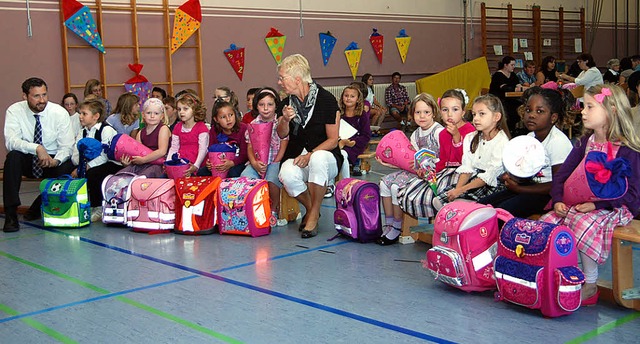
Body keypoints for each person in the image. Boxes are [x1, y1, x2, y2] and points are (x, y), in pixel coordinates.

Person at [539, 85, 640, 305]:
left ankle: (591, 283)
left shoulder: (627, 149)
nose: (582, 112)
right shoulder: (586, 142)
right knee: (548, 222)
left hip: (614, 207)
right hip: (580, 205)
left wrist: (598, 205)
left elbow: (632, 194)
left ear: (612, 109)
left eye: (589, 107)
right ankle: (564, 275)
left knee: (582, 221)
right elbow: (561, 176)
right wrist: (557, 200)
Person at [479, 87, 574, 218]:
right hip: (529, 187)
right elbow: (525, 172)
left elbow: (558, 185)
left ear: (553, 117)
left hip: (549, 196)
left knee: (501, 213)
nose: (532, 115)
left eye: (540, 111)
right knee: (482, 206)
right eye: (528, 110)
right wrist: (510, 177)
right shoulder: (529, 137)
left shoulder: (558, 142)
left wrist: (519, 189)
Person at [277, 54, 343, 238]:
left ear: (297, 79)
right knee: (287, 174)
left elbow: (333, 140)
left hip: (326, 158)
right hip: (298, 155)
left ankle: (313, 215)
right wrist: (284, 119)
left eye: (282, 78)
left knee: (318, 159)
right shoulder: (286, 103)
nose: (279, 82)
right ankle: (311, 208)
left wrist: (310, 155)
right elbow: (281, 133)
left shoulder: (326, 100)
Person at [3, 77, 75, 232]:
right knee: (12, 158)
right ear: (25, 96)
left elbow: (67, 146)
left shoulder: (58, 112)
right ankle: (11, 215)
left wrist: (56, 160)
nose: (42, 100)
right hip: (28, 157)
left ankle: (37, 207)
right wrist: (37, 148)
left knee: (69, 165)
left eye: (44, 95)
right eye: (36, 96)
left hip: (52, 158)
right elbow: (11, 141)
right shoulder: (14, 111)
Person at [375, 93, 443, 245]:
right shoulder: (416, 134)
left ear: (433, 112)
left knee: (395, 187)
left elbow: (443, 157)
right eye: (418, 112)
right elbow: (408, 161)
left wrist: (428, 166)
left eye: (426, 112)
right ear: (412, 114)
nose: (422, 116)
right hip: (415, 172)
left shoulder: (438, 132)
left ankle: (397, 227)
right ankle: (389, 223)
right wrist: (388, 164)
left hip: (432, 175)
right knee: (384, 183)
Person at [398, 89, 476, 220]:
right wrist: (428, 172)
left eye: (455, 110)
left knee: (436, 195)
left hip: (463, 173)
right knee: (412, 191)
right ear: (440, 112)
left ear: (463, 112)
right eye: (445, 110)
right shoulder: (443, 133)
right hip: (445, 172)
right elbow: (443, 161)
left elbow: (465, 161)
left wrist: (457, 136)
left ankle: (448, 218)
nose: (450, 114)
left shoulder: (470, 131)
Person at [435, 94, 511, 208]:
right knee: (439, 201)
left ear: (496, 117)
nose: (475, 119)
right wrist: (457, 190)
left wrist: (461, 190)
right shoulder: (471, 137)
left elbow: (489, 176)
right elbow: (467, 168)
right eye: (474, 114)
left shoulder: (502, 142)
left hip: (491, 184)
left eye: (482, 114)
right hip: (473, 180)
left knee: (459, 207)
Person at [241, 87, 289, 227]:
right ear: (256, 106)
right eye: (261, 105)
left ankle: (273, 210)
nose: (266, 108)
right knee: (245, 178)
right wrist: (254, 163)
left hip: (274, 160)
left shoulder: (279, 122)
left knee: (272, 180)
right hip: (257, 162)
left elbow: (284, 143)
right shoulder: (253, 125)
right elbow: (250, 147)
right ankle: (250, 210)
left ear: (276, 106)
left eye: (270, 104)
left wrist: (276, 161)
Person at [70, 99, 121, 222]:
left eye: (84, 114)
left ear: (96, 116)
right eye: (80, 113)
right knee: (67, 170)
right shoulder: (82, 132)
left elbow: (105, 155)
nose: (80, 117)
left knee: (93, 174)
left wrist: (87, 166)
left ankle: (97, 207)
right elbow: (76, 152)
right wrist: (79, 165)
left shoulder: (106, 130)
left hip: (112, 163)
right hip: (89, 163)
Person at [118, 98, 170, 178]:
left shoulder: (163, 129)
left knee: (142, 177)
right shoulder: (140, 133)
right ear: (143, 115)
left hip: (159, 165)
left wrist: (144, 160)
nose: (152, 116)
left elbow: (162, 151)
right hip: (143, 164)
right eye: (148, 113)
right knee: (122, 175)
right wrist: (129, 162)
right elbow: (136, 153)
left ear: (161, 116)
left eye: (156, 113)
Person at [201, 101, 248, 178]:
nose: (228, 119)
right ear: (216, 119)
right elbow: (211, 149)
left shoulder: (243, 128)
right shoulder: (214, 130)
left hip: (238, 163)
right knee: (202, 172)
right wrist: (209, 162)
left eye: (231, 115)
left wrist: (232, 163)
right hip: (219, 164)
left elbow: (245, 154)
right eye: (223, 117)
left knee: (233, 172)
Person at [166, 93, 209, 177]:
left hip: (196, 164)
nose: (181, 112)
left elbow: (203, 149)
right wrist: (168, 163)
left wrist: (196, 166)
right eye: (179, 109)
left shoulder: (201, 127)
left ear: (194, 109)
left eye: (185, 109)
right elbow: (174, 147)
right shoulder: (177, 127)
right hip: (181, 162)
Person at [339, 85, 371, 176]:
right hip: (340, 141)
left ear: (358, 99)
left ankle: (345, 178)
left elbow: (366, 135)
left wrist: (353, 142)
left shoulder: (362, 114)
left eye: (352, 96)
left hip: (355, 143)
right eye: (346, 96)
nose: (348, 98)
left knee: (342, 154)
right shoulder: (339, 113)